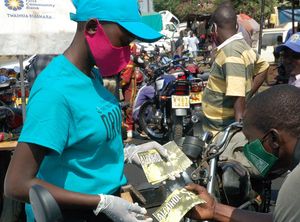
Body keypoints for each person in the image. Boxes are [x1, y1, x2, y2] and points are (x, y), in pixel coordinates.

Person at [4, 1, 170, 222]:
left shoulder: (93, 76)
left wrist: (126, 153)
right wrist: (101, 202)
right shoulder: (55, 91)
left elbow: (85, 146)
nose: (126, 52)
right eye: (123, 41)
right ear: (92, 27)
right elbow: (16, 184)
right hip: (72, 214)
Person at [186, 84, 300, 222]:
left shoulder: (295, 184)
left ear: (274, 139)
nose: (247, 148)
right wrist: (215, 209)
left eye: (251, 141)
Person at [202, 3, 269, 135]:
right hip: (221, 126)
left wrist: (237, 132)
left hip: (221, 130)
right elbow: (264, 67)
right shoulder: (242, 46)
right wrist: (248, 93)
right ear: (237, 26)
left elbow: (238, 97)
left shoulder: (230, 54)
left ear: (214, 28)